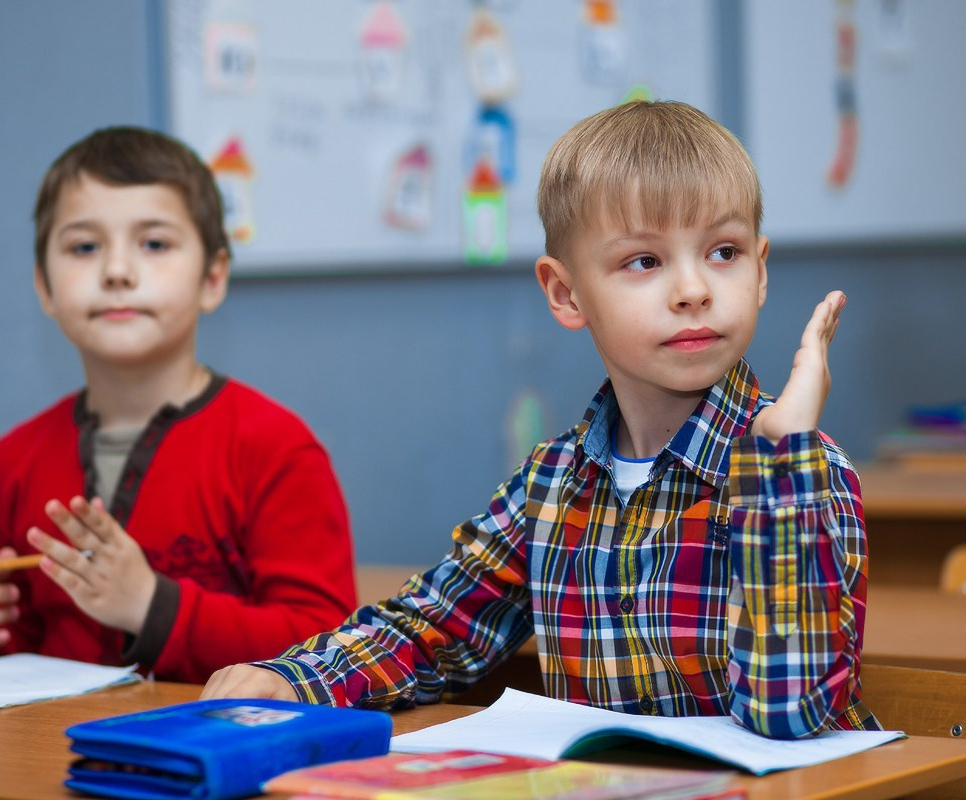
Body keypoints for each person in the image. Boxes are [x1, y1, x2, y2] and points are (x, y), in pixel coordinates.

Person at [201, 101, 877, 738]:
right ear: (565, 292)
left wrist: (780, 464)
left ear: (760, 271)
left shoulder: (807, 472)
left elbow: (790, 713)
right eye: (644, 261)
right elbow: (432, 630)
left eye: (723, 252)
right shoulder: (552, 483)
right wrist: (294, 678)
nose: (694, 290)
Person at [0, 127, 357, 684]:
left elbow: (328, 648)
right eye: (85, 247)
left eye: (153, 244)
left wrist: (152, 607)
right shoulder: (10, 463)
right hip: (48, 740)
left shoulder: (275, 449)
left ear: (212, 278)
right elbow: (8, 662)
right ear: (44, 286)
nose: (117, 271)